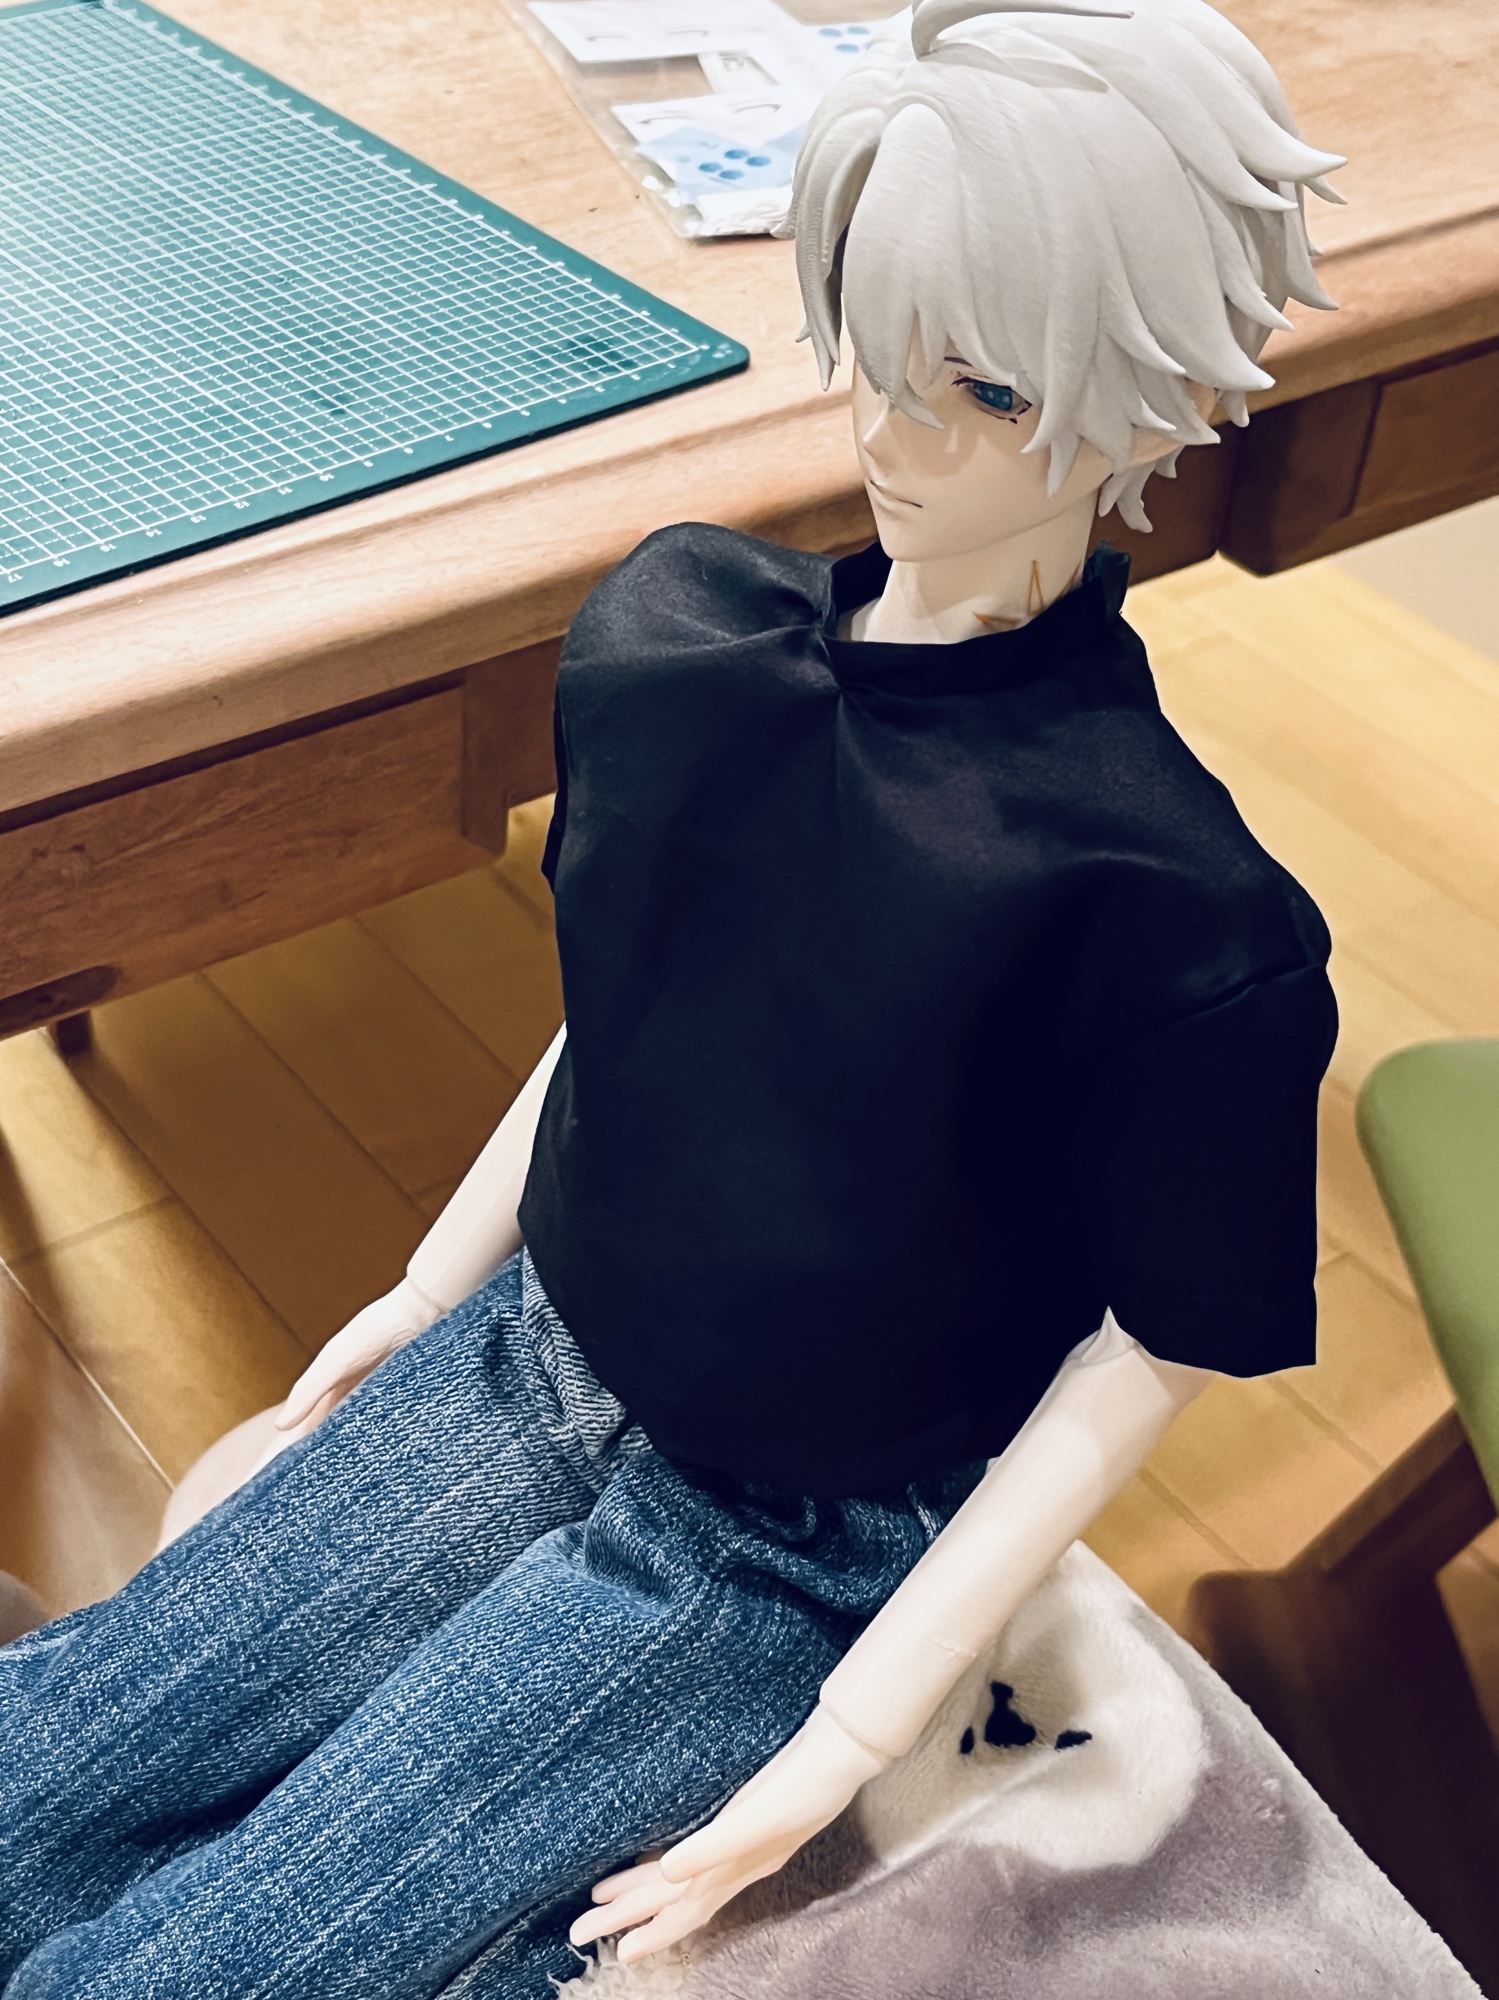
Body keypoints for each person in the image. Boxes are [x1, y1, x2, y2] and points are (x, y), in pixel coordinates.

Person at [0, 2, 1343, 1992]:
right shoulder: (684, 641)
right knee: (47, 1772)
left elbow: (1158, 1345)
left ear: (1150, 397)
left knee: (224, 1957)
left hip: (788, 1529)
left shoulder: (1160, 903)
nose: (897, 432)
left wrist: (852, 1731)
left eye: (981, 385)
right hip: (537, 1347)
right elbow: (648, 991)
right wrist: (424, 1292)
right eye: (876, 344)